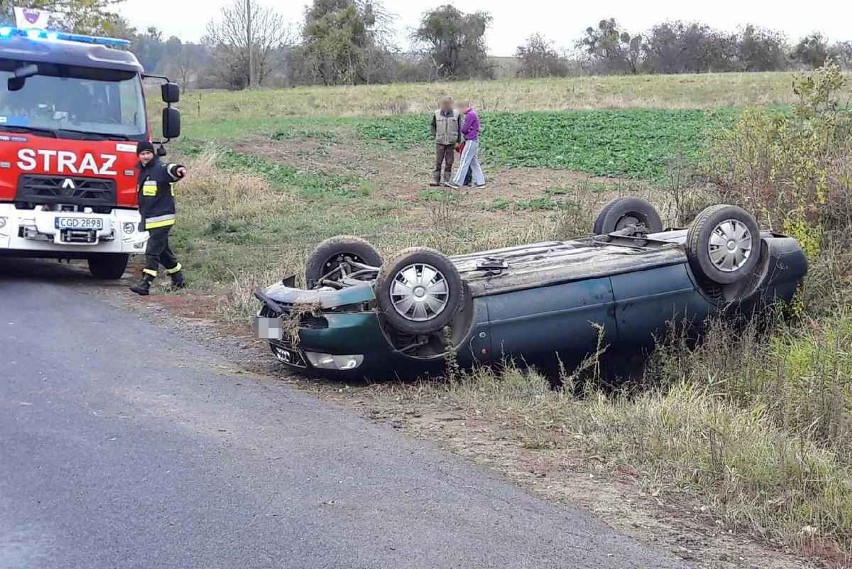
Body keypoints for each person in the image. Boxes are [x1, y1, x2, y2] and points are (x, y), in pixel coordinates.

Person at [130, 141, 187, 296]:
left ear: (153, 154)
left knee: (152, 250)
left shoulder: (159, 168)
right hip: (151, 218)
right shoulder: (142, 171)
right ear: (138, 156)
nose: (146, 156)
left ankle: (146, 283)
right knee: (163, 252)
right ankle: (178, 278)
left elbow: (170, 169)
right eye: (142, 153)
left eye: (148, 153)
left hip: (163, 218)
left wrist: (179, 169)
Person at [447, 100, 485, 189]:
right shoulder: (472, 114)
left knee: (464, 161)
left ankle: (457, 182)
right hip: (473, 140)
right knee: (474, 162)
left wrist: (464, 130)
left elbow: (464, 129)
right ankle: (481, 182)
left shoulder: (470, 115)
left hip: (471, 141)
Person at [430, 96, 462, 186]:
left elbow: (459, 128)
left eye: (447, 103)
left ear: (451, 104)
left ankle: (446, 180)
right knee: (438, 162)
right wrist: (435, 135)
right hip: (440, 142)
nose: (446, 105)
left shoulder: (456, 114)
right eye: (444, 103)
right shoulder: (436, 113)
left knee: (449, 162)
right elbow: (433, 125)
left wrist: (458, 141)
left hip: (451, 143)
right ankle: (436, 180)